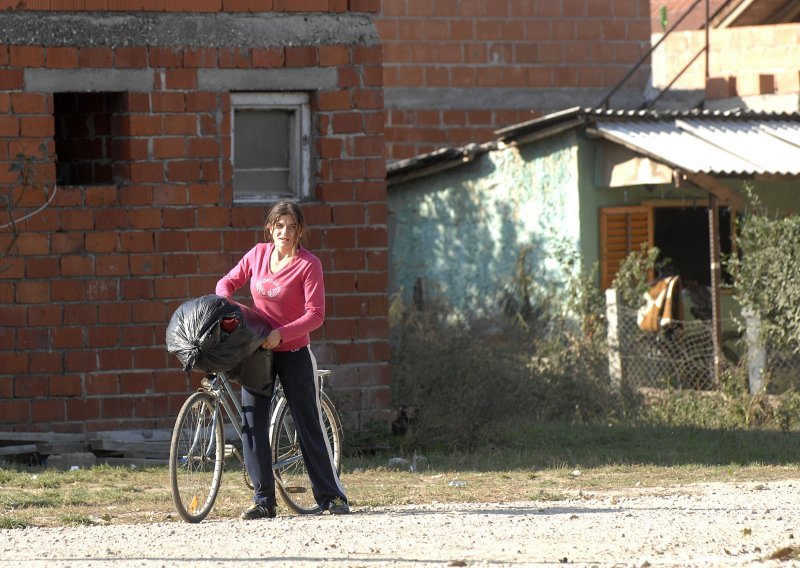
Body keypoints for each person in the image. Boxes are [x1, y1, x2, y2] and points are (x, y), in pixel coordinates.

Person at [215, 201, 349, 519]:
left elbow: (315, 315)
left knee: (308, 424)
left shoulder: (308, 264)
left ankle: (331, 496)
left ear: (299, 230)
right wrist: (225, 305)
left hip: (293, 352)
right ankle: (264, 500)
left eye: (291, 226)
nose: (284, 232)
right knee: (252, 425)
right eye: (279, 226)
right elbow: (226, 283)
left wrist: (282, 334)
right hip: (258, 351)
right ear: (270, 228)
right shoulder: (258, 254)